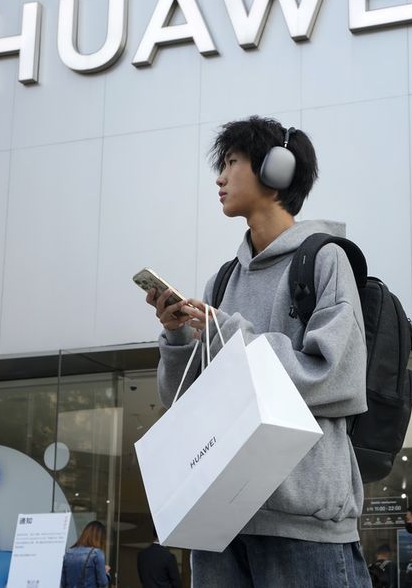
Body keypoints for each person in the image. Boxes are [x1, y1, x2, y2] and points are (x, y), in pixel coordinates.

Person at [145, 116, 371, 587]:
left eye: (231, 162)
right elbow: (187, 402)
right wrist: (180, 338)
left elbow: (336, 376)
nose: (219, 177)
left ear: (277, 171)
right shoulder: (223, 281)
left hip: (305, 526)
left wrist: (230, 334)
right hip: (220, 522)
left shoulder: (326, 260)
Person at [61, 521, 110, 588]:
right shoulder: (97, 553)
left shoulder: (68, 553)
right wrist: (105, 573)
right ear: (100, 538)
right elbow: (103, 583)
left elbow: (63, 582)